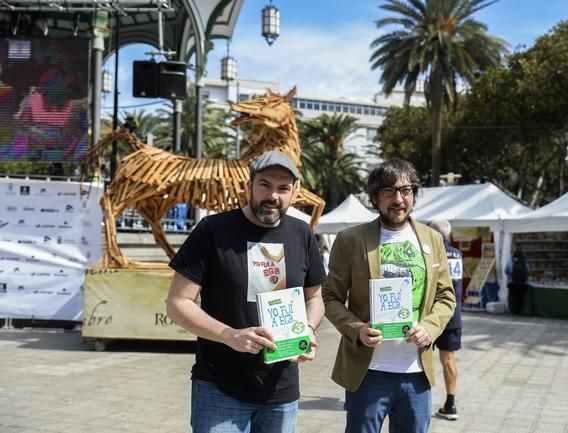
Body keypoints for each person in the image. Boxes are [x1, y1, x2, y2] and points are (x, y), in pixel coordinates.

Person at [166, 150, 326, 433]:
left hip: (281, 390)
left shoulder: (302, 234)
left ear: (293, 193)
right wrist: (230, 335)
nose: (273, 195)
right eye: (264, 184)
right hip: (220, 388)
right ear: (248, 186)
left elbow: (314, 298)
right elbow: (178, 303)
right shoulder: (212, 230)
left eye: (283, 188)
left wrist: (310, 330)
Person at [322, 158, 457, 433]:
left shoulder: (432, 239)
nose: (399, 199)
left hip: (416, 374)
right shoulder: (350, 240)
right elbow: (330, 297)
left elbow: (446, 296)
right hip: (368, 373)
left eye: (406, 190)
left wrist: (430, 328)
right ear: (375, 197)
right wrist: (356, 329)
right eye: (389, 191)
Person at [428, 220, 463, 421]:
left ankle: (416, 399)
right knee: (448, 359)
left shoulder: (433, 253)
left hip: (432, 315)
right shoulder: (457, 254)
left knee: (421, 357)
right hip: (453, 314)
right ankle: (451, 402)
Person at [505, 249, 531, 315]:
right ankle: (520, 311)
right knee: (521, 298)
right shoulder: (525, 262)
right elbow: (529, 272)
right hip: (523, 283)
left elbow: (506, 271)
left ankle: (513, 311)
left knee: (513, 297)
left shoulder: (510, 262)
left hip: (512, 283)